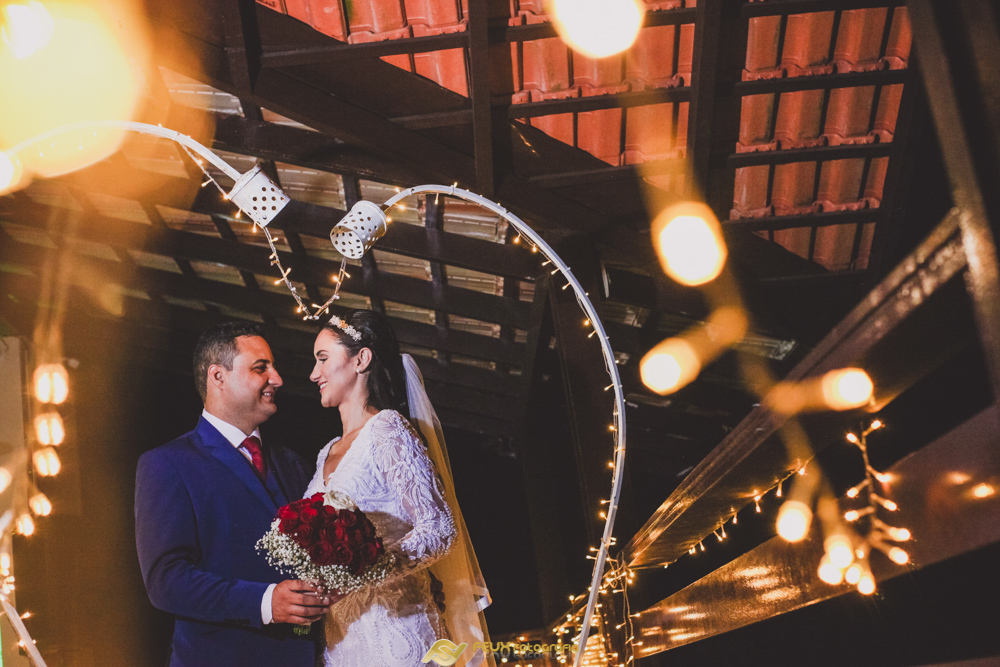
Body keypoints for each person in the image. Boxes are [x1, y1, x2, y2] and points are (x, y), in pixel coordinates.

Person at [135, 322, 331, 667]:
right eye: (260, 368)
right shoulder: (167, 463)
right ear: (217, 376)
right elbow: (166, 581)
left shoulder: (294, 464)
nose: (277, 379)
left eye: (273, 367)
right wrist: (264, 602)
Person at [306, 310, 494, 666]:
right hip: (342, 641)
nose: (314, 373)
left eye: (323, 358)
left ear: (361, 359)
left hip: (399, 633)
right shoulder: (325, 453)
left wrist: (364, 569)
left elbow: (439, 527)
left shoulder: (387, 429)